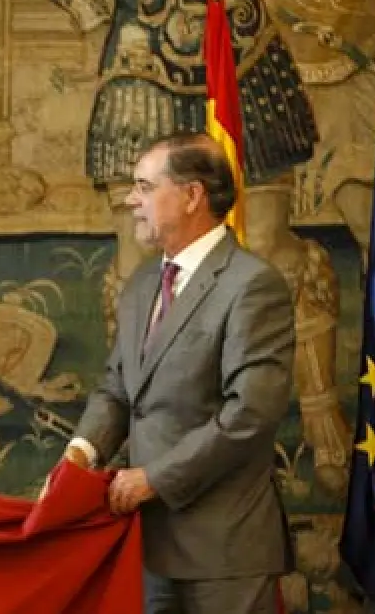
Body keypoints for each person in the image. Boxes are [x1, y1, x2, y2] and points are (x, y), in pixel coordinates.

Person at [45, 133, 295, 613]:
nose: (130, 200)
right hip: (148, 546)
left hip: (225, 551)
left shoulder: (252, 285)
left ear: (192, 195)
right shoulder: (142, 283)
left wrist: (154, 479)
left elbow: (250, 414)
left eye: (143, 187)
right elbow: (117, 389)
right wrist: (79, 455)